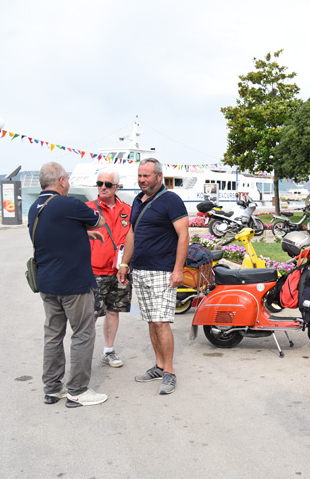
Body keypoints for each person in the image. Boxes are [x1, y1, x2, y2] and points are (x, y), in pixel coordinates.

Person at [28, 162, 108, 407]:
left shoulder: (35, 207)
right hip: (73, 283)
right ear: (62, 181)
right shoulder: (69, 204)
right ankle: (78, 390)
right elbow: (99, 221)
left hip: (47, 283)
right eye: (68, 180)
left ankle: (53, 388)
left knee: (53, 336)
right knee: (83, 334)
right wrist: (87, 228)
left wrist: (81, 233)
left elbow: (54, 235)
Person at [117, 158, 189, 395]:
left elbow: (183, 235)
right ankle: (159, 366)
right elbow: (132, 233)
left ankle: (169, 371)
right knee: (150, 320)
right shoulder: (138, 200)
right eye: (140, 176)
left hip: (163, 271)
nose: (142, 180)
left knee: (161, 322)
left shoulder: (171, 200)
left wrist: (178, 270)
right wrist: (124, 263)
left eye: (146, 176)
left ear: (159, 176)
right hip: (141, 270)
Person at [86, 168, 132, 368]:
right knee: (91, 315)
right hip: (94, 271)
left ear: (116, 187)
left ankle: (108, 351)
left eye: (107, 184)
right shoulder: (88, 209)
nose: (103, 187)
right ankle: (83, 354)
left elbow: (133, 238)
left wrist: (126, 264)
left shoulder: (127, 210)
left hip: (120, 271)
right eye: (100, 183)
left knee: (114, 311)